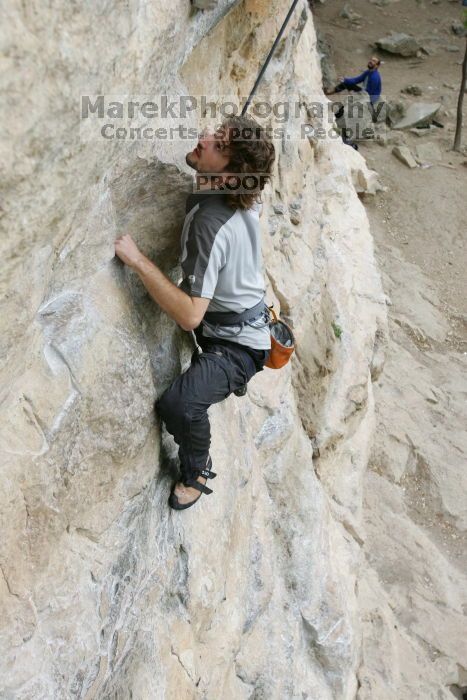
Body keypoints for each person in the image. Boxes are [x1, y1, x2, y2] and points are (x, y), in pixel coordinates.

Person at [114, 115, 275, 510]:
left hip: (238, 349)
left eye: (218, 144)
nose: (203, 139)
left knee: (180, 405)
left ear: (228, 178)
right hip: (241, 321)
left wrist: (138, 262)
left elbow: (189, 317)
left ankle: (196, 471)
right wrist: (228, 155)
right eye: (214, 134)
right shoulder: (236, 198)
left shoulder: (211, 224)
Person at [328, 55, 382, 123]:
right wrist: (345, 80)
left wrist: (356, 94)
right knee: (347, 85)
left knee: (350, 102)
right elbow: (357, 79)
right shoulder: (368, 72)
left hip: (369, 96)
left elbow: (370, 93)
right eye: (371, 60)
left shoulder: (375, 77)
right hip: (364, 92)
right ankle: (332, 92)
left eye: (374, 61)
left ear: (377, 66)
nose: (371, 61)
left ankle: (337, 117)